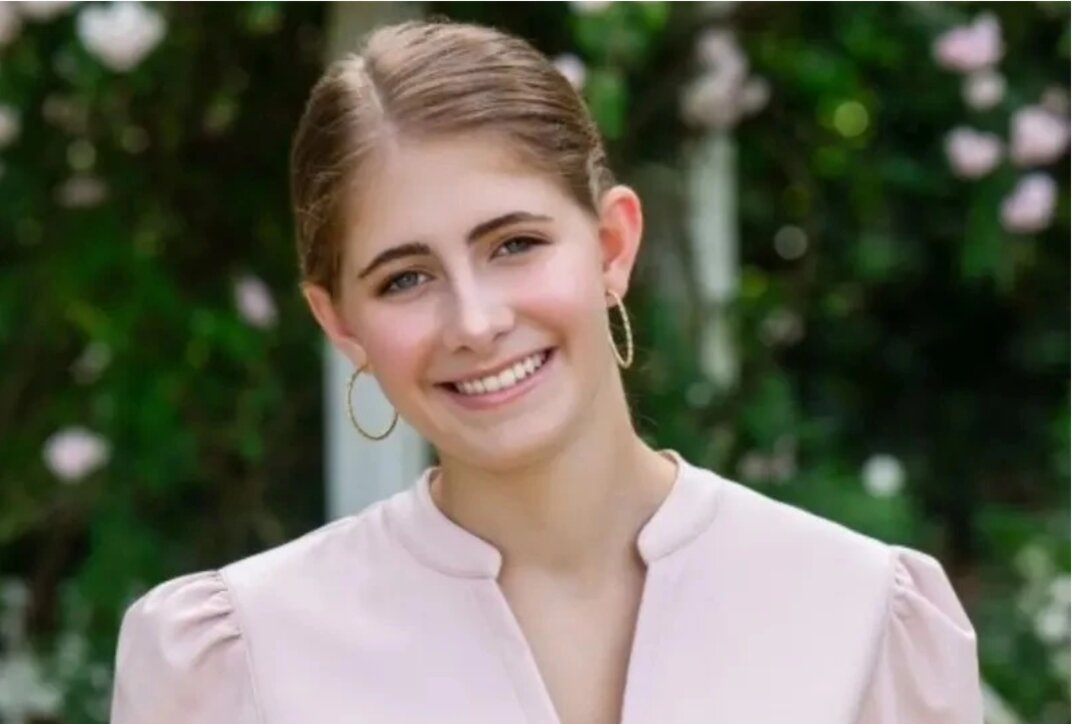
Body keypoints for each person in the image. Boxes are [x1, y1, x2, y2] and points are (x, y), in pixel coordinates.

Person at [110, 19, 983, 724]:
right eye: (405, 279)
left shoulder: (860, 616)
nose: (476, 322)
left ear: (612, 245)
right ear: (340, 323)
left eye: (514, 244)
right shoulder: (241, 658)